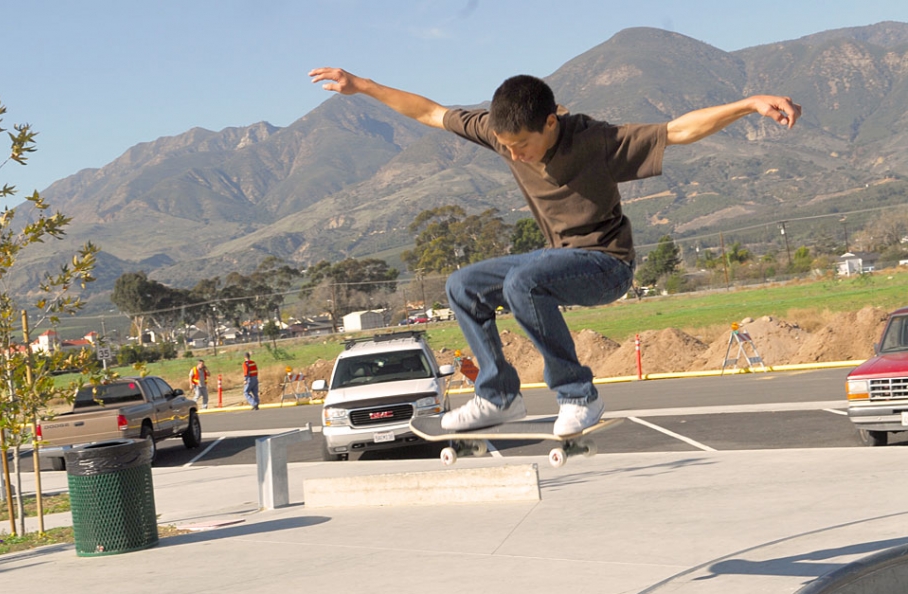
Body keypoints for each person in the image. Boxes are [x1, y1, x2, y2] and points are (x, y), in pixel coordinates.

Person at [309, 67, 801, 436]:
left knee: (525, 280)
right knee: (463, 286)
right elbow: (430, 113)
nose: (515, 154)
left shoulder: (598, 140)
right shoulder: (503, 135)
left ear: (550, 122)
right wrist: (364, 85)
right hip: (554, 260)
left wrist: (748, 103)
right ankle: (499, 395)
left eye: (522, 144)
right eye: (506, 146)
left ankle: (579, 395)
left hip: (607, 265)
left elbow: (678, 130)